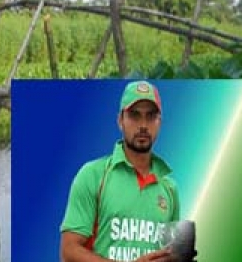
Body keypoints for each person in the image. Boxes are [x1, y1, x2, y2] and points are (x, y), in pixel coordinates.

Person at [60, 81, 188, 262]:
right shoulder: (93, 175)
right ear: (120, 120)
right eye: (135, 115)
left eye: (151, 116)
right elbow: (69, 251)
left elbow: (172, 255)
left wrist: (180, 257)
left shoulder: (170, 188)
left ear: (160, 122)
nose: (143, 125)